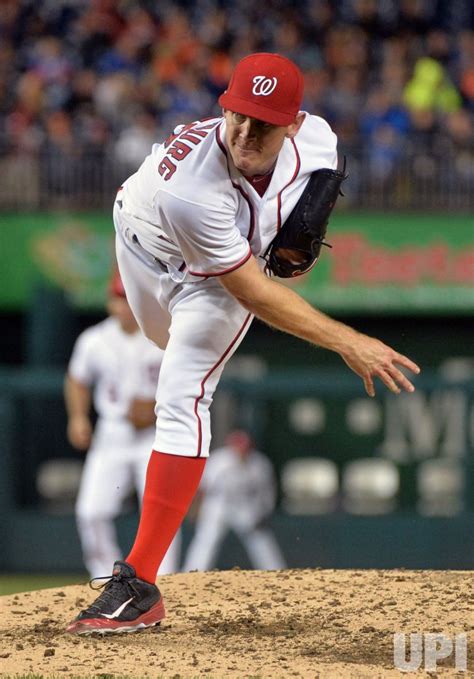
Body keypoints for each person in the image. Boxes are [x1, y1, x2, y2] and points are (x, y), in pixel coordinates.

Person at [66, 52, 420, 635]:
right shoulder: (193, 188)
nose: (246, 133)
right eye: (238, 115)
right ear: (222, 107)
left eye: (264, 122)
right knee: (170, 340)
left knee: (182, 398)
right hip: (145, 247)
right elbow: (256, 291)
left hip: (208, 286)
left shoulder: (321, 142)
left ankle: (139, 585)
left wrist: (302, 226)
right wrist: (348, 341)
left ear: (295, 123)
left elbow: (295, 244)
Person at [65, 271, 181, 580]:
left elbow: (189, 378)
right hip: (113, 432)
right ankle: (104, 578)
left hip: (155, 435)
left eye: (127, 299)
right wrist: (77, 417)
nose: (123, 307)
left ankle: (161, 580)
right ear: (109, 303)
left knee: (160, 513)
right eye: (117, 299)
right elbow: (77, 380)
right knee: (91, 512)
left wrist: (158, 407)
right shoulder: (94, 340)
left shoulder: (164, 333)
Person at [183, 430, 286, 572]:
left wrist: (264, 512)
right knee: (206, 538)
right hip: (218, 504)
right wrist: (195, 509)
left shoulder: (260, 464)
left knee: (260, 537)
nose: (240, 452)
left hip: (244, 505)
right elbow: (202, 488)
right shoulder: (219, 460)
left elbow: (267, 492)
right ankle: (192, 572)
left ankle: (275, 571)